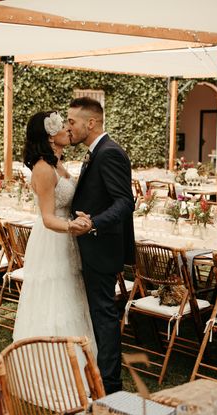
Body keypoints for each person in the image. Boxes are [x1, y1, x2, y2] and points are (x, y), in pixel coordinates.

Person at [12, 111, 97, 359]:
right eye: (62, 126)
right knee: (54, 299)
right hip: (53, 238)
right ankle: (53, 365)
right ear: (50, 136)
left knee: (71, 296)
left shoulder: (58, 164)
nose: (68, 129)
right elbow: (48, 218)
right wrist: (74, 226)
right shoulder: (43, 169)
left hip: (66, 237)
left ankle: (81, 364)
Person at [68, 97, 135, 395]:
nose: (69, 127)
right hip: (91, 246)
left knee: (104, 315)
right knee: (97, 313)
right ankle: (98, 373)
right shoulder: (95, 152)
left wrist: (93, 222)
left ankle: (110, 385)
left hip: (102, 247)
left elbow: (125, 202)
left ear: (90, 123)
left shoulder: (109, 153)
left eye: (72, 122)